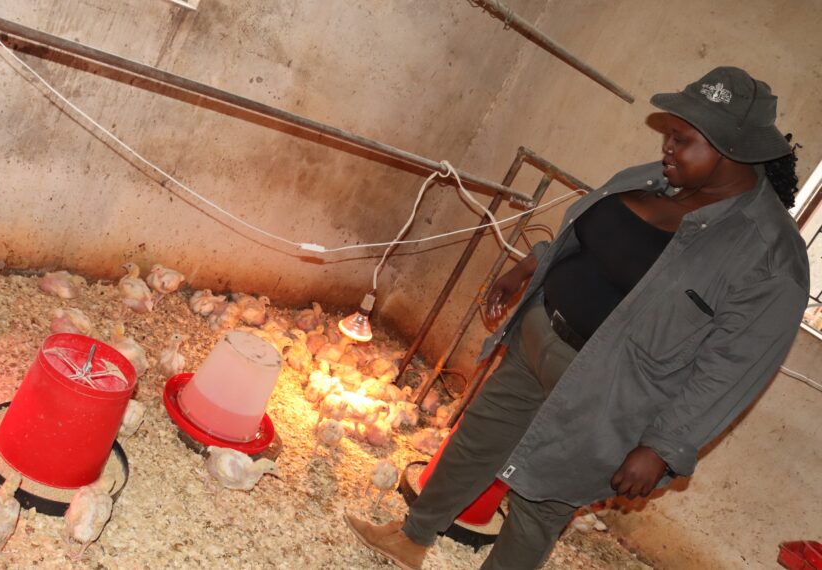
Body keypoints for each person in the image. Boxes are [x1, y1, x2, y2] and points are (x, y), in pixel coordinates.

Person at [344, 66, 809, 570]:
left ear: (733, 150)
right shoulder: (659, 179)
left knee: (539, 501)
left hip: (606, 397)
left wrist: (662, 446)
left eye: (681, 139)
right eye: (670, 135)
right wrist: (531, 264)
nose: (666, 147)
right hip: (538, 341)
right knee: (475, 443)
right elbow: (596, 243)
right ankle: (411, 538)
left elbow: (734, 367)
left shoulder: (769, 255)